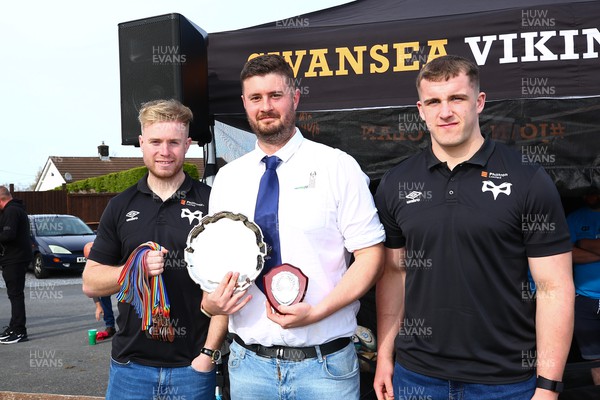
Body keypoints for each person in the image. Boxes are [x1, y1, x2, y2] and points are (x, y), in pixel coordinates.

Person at [373, 55, 574, 400]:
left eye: (457, 98)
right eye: (434, 101)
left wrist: (548, 386)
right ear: (421, 110)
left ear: (479, 102)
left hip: (506, 382)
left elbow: (554, 287)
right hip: (417, 377)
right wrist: (384, 356)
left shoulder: (527, 179)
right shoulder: (396, 183)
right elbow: (394, 274)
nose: (445, 111)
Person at [201, 54, 385, 399]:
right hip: (248, 367)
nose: (265, 106)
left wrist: (317, 312)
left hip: (324, 369)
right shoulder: (227, 179)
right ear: (244, 103)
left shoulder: (337, 167)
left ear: (295, 97)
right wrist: (210, 304)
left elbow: (371, 256)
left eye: (275, 95)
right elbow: (217, 267)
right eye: (256, 98)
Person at [81, 99, 228, 400]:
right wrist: (133, 268)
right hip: (130, 368)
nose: (164, 151)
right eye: (156, 142)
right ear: (141, 143)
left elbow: (230, 285)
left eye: (174, 142)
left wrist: (207, 355)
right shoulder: (120, 206)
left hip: (193, 367)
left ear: (187, 144)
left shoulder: (214, 202)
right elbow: (90, 281)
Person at [567, 188, 600, 385]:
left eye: (594, 191)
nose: (589, 196)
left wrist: (584, 243)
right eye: (586, 192)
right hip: (584, 299)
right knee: (595, 360)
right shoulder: (575, 218)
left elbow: (578, 247)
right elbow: (567, 254)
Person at [0, 186, 33, 344]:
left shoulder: (11, 211)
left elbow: (8, 235)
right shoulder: (16, 209)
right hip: (16, 258)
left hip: (15, 259)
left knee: (16, 295)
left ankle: (19, 331)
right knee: (14, 295)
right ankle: (14, 326)